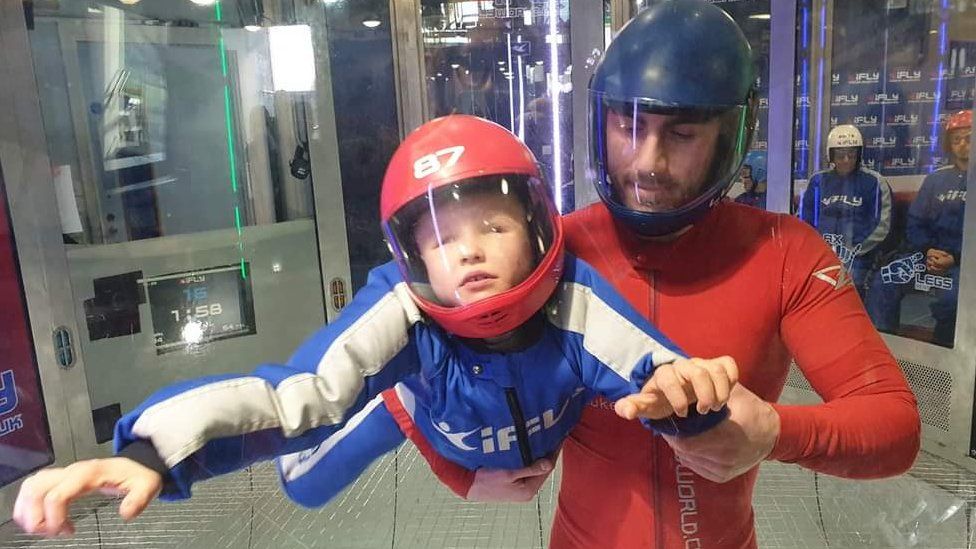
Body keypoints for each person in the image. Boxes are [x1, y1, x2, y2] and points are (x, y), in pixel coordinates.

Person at [13, 115, 739, 537]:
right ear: (412, 253)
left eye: (492, 224)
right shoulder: (402, 309)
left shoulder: (574, 299)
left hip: (531, 415)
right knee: (303, 483)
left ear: (538, 224)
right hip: (425, 400)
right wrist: (150, 451)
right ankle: (393, 397)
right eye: (443, 239)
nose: (470, 250)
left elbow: (661, 371)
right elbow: (289, 395)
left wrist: (693, 390)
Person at [422, 3, 921, 548]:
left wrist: (775, 433)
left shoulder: (785, 253)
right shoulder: (555, 251)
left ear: (731, 134)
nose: (648, 162)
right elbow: (406, 347)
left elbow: (895, 427)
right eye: (627, 126)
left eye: (681, 134)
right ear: (601, 121)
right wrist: (465, 475)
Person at [866, 109, 970, 346]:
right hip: (926, 256)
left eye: (969, 138)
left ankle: (944, 361)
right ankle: (884, 350)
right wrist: (927, 251)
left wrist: (954, 258)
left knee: (954, 300)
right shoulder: (936, 180)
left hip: (965, 266)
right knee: (885, 281)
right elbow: (916, 222)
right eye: (956, 140)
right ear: (949, 144)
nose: (963, 145)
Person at [799, 124, 894, 295]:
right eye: (841, 155)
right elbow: (805, 220)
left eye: (852, 155)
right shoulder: (818, 181)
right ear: (831, 155)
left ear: (859, 155)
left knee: (849, 282)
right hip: (820, 253)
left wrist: (851, 251)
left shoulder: (874, 181)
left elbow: (881, 225)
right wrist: (820, 250)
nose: (846, 160)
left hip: (859, 256)